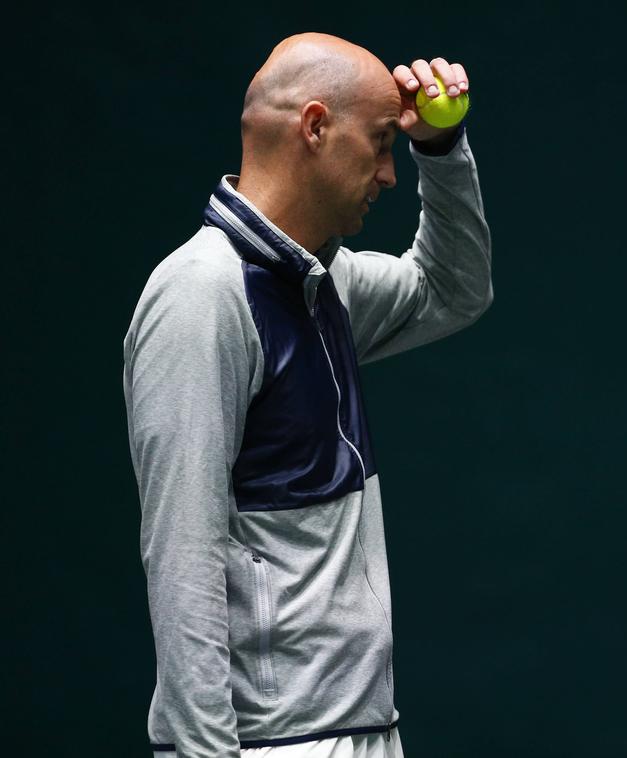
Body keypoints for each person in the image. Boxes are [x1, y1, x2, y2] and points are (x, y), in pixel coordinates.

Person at [122, 33, 492, 757]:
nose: (389, 173)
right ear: (316, 127)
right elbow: (181, 554)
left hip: (362, 732)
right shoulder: (203, 295)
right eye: (383, 143)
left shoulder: (327, 284)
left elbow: (455, 290)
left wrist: (441, 152)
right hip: (278, 745)